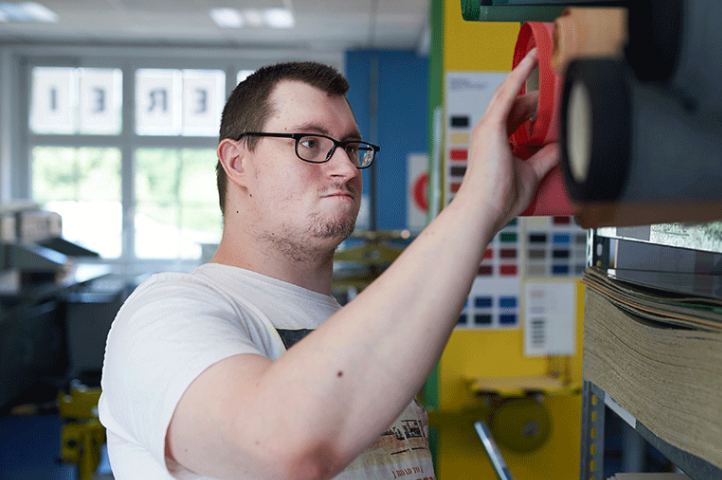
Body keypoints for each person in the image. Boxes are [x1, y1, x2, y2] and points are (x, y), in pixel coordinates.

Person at [99, 48, 558, 480]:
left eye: (351, 147)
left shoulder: (354, 333)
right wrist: (476, 205)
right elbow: (282, 446)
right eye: (311, 143)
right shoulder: (166, 312)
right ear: (237, 161)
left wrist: (494, 208)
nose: (348, 169)